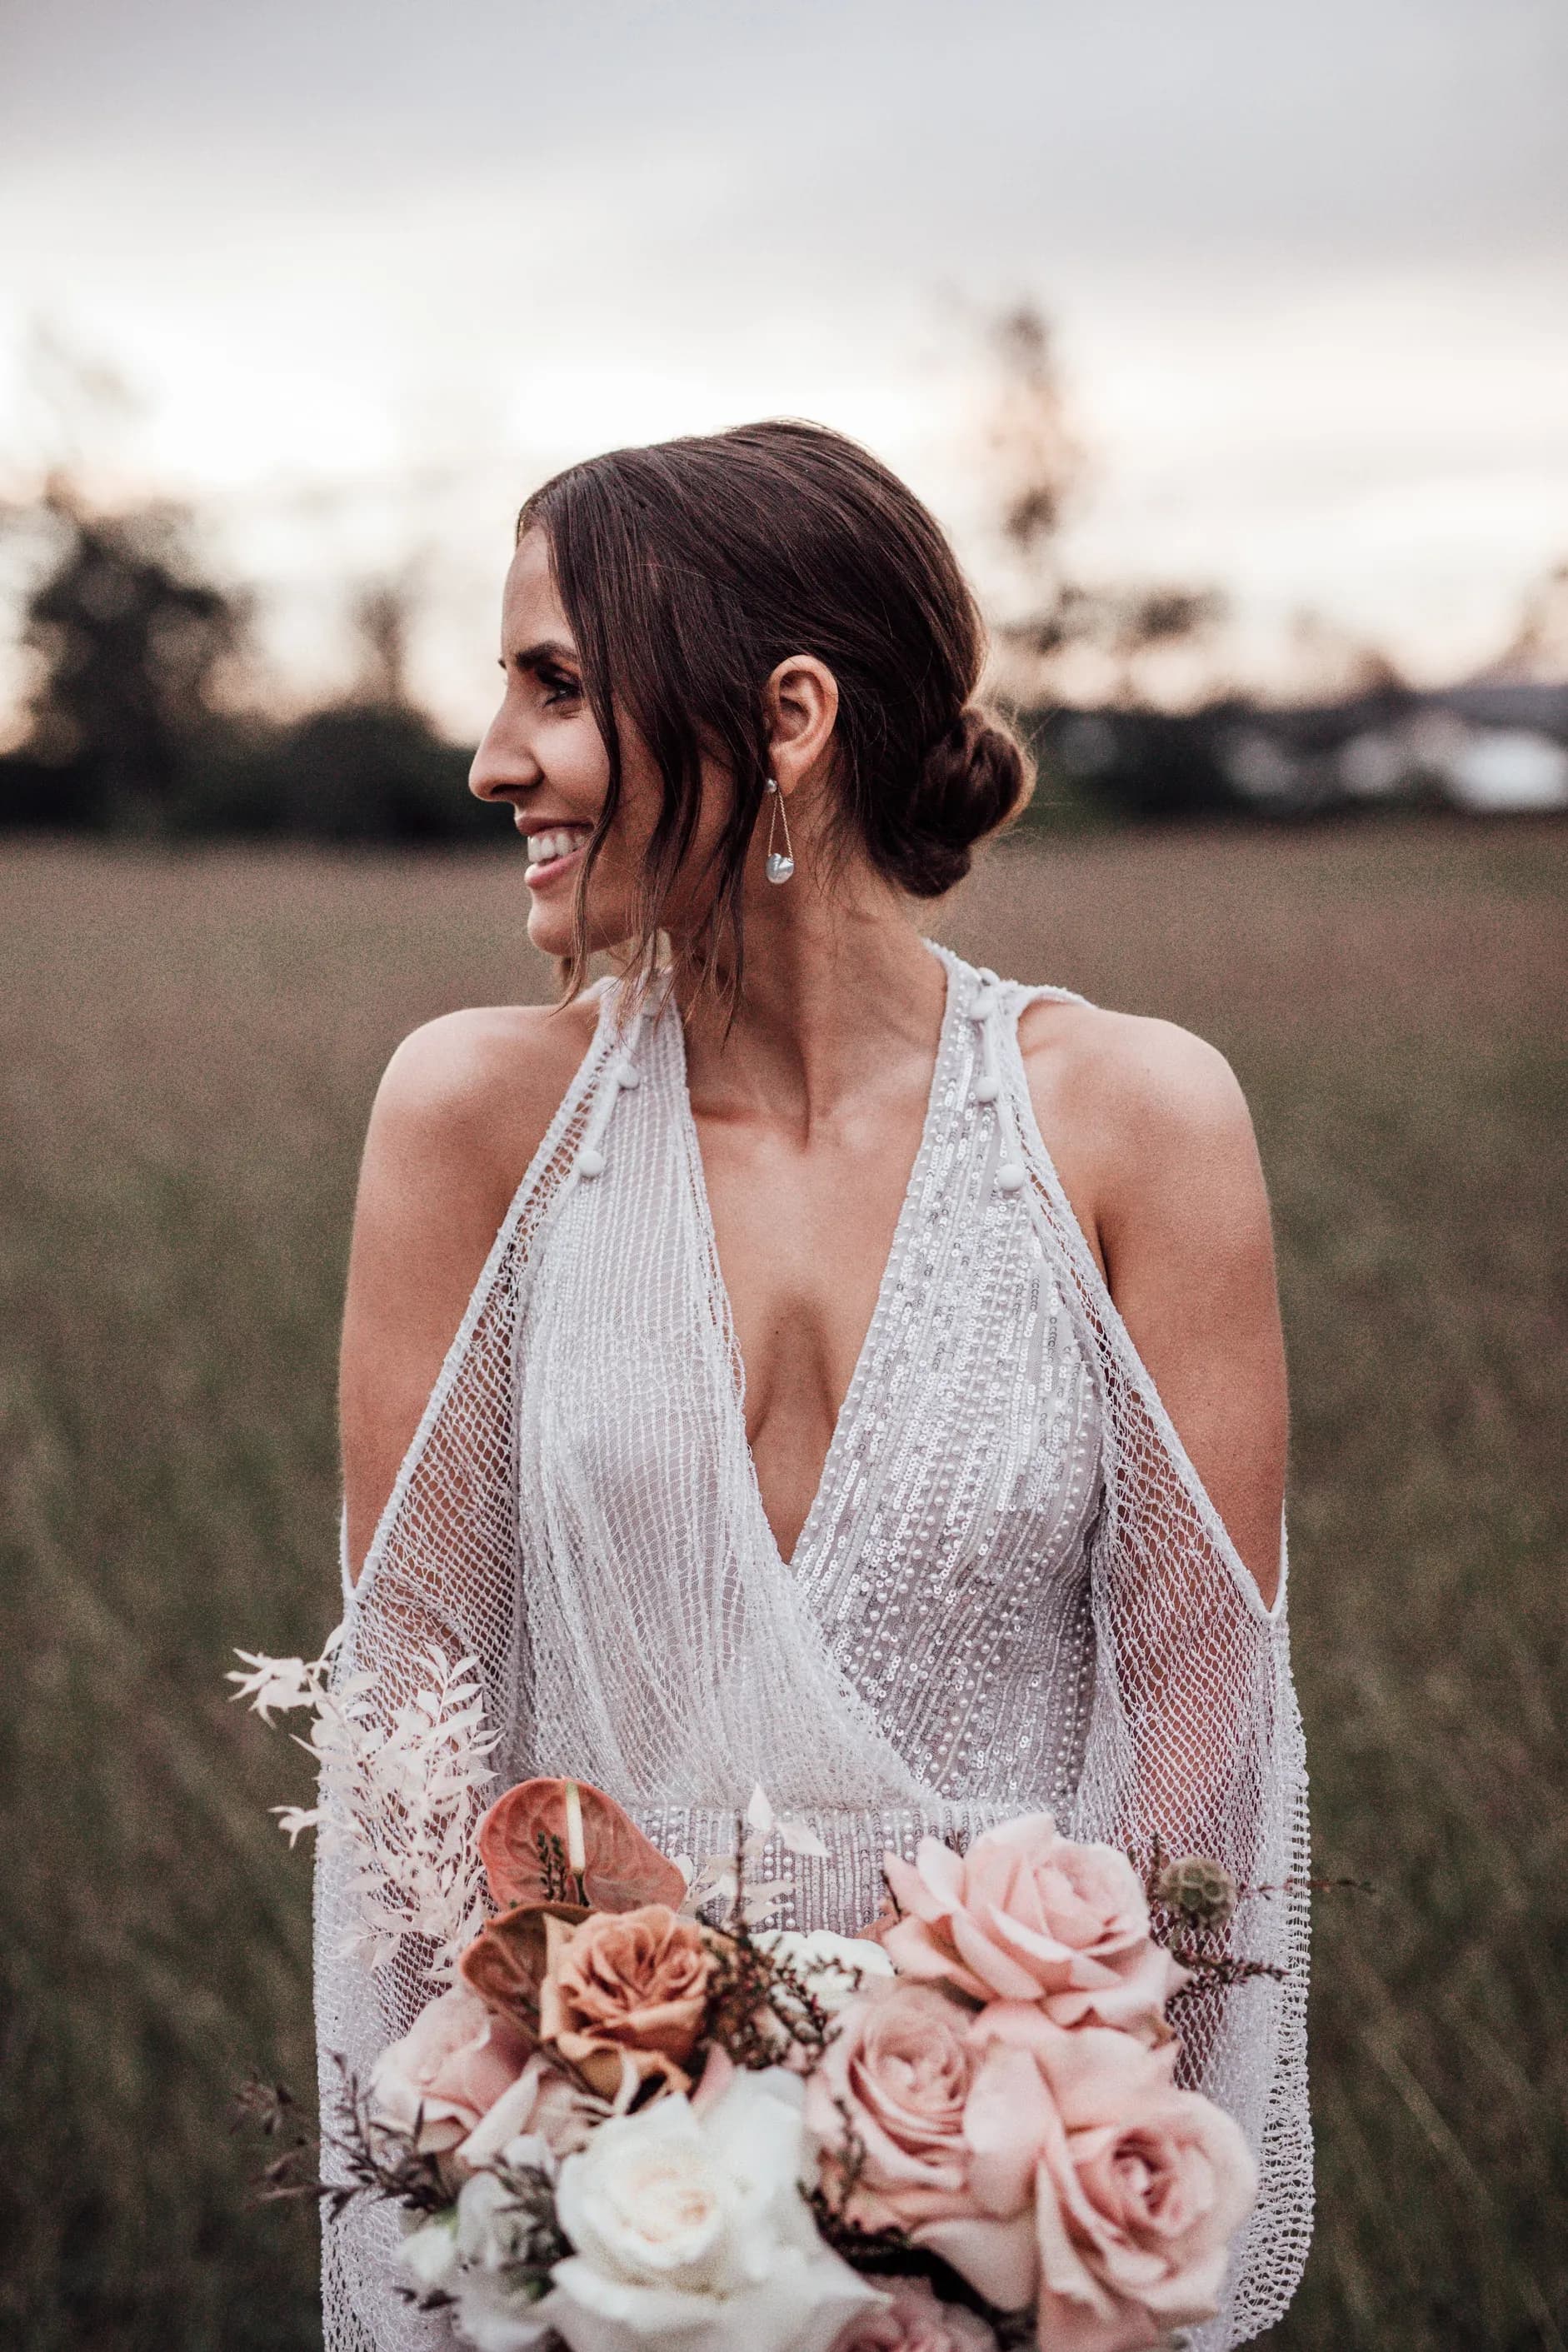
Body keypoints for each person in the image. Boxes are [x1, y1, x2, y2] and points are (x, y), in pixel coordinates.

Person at [319, 422, 1309, 2351]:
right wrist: (565, 2193)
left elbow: (1206, 1723)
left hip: (998, 2215)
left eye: (556, 685)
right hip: (600, 2214)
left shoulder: (1131, 1122)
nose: (491, 757)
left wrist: (1009, 2226)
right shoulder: (468, 1121)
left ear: (785, 718)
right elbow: (407, 1737)